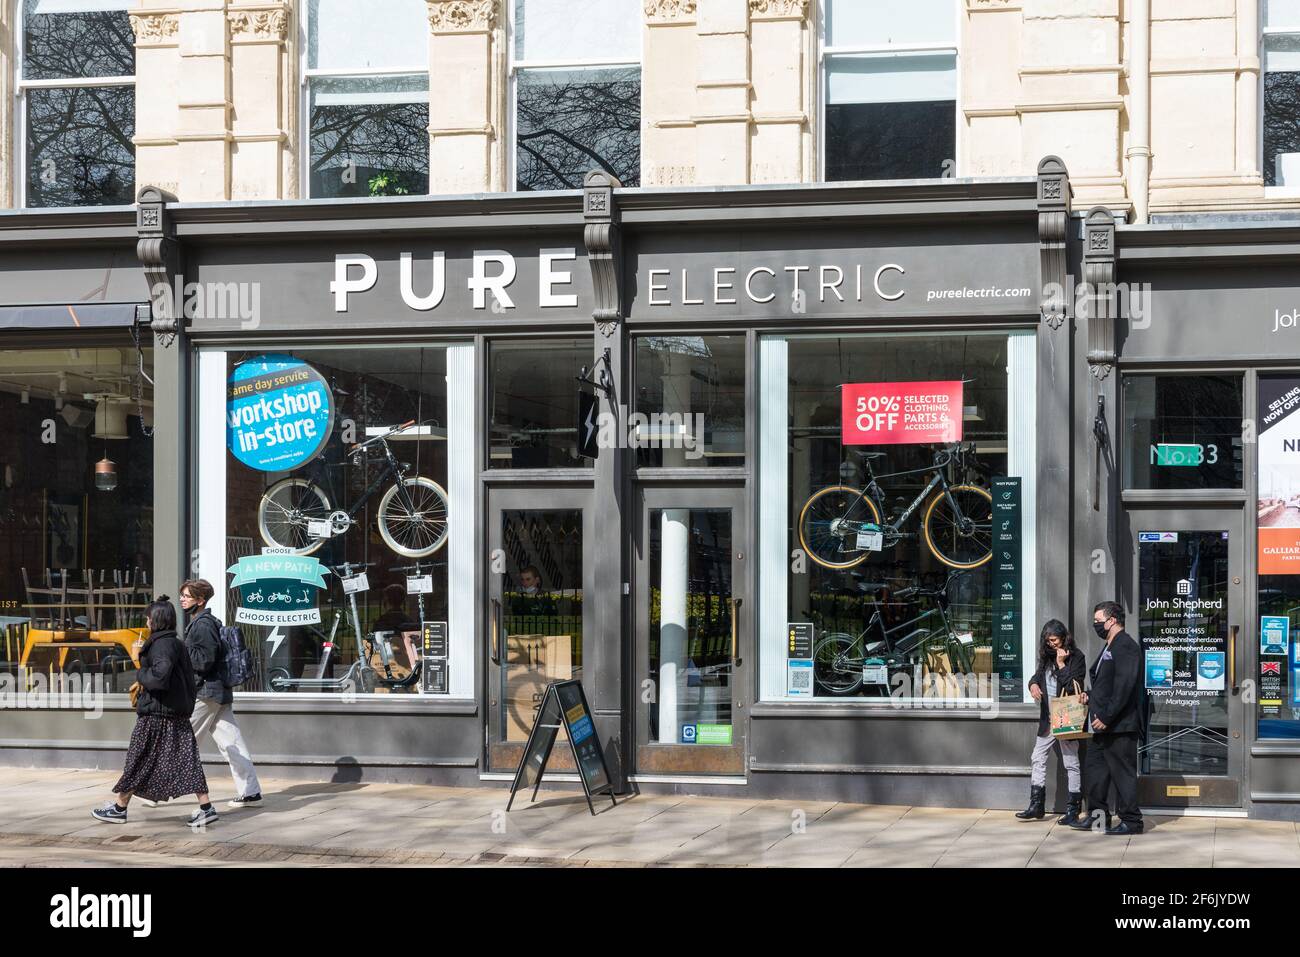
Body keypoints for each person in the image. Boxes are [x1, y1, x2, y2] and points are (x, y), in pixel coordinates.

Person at [92, 596, 217, 827]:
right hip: (173, 713)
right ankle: (206, 807)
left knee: (138, 760)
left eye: (149, 618)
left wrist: (137, 663)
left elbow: (159, 678)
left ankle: (120, 809)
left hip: (158, 715)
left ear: (157, 620)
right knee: (186, 762)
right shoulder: (174, 642)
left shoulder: (161, 645)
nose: (147, 622)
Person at [179, 578, 263, 809]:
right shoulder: (205, 622)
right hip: (218, 693)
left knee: (181, 740)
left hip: (206, 693)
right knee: (231, 742)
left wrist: (182, 653)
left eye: (187, 596)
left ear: (200, 600)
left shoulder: (203, 625)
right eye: (182, 595)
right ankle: (250, 792)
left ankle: (149, 790)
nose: (182, 599)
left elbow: (204, 660)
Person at [1070, 600, 1144, 835]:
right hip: (1101, 724)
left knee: (1123, 775)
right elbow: (1107, 684)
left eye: (1098, 621)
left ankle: (1132, 821)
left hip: (1119, 725)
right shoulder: (1110, 646)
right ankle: (1097, 817)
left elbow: (1124, 686)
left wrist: (1108, 715)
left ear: (1112, 620)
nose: (1095, 625)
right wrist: (1089, 696)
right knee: (1096, 772)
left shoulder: (1126, 646)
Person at [1016, 619, 1086, 823]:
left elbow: (1074, 687)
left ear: (1064, 637)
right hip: (1048, 719)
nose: (1051, 644)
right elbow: (1037, 676)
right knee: (1037, 758)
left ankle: (1073, 810)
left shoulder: (1077, 657)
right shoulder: (1046, 657)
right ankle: (1036, 805)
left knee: (1071, 763)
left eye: (1054, 640)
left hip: (1066, 716)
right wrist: (1033, 685)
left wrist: (1062, 663)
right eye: (1047, 641)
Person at [372, 582, 421, 673]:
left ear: (386, 601)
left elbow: (375, 644)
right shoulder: (409, 621)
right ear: (403, 601)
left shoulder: (381, 622)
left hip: (385, 667)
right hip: (408, 668)